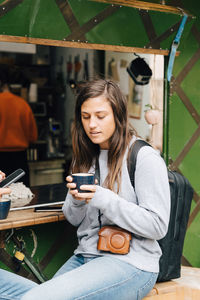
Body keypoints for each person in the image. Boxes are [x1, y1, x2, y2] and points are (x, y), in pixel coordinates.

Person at [19, 79, 170, 300]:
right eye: (86, 116)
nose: (92, 124)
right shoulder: (85, 157)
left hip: (131, 263)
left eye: (101, 116)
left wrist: (104, 199)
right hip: (85, 257)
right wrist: (77, 199)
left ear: (118, 116)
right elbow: (73, 218)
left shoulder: (143, 157)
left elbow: (157, 226)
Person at [0, 66, 38, 186]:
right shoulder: (22, 104)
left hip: (1, 158)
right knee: (23, 197)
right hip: (20, 159)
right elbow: (33, 136)